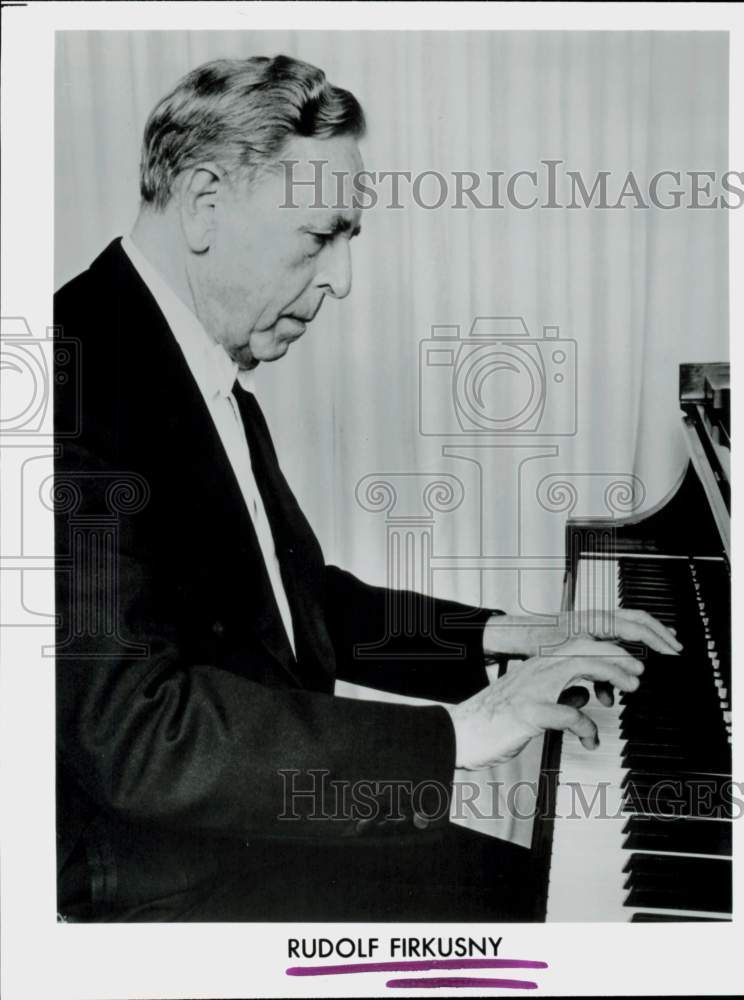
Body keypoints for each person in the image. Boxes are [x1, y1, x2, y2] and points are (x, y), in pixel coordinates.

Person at [53, 54, 680, 922]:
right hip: (158, 886)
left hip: (238, 830)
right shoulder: (70, 384)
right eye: (319, 237)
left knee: (533, 899)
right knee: (555, 922)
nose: (340, 281)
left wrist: (511, 633)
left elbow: (290, 603)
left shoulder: (176, 353)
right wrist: (463, 733)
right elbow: (132, 736)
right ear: (203, 203)